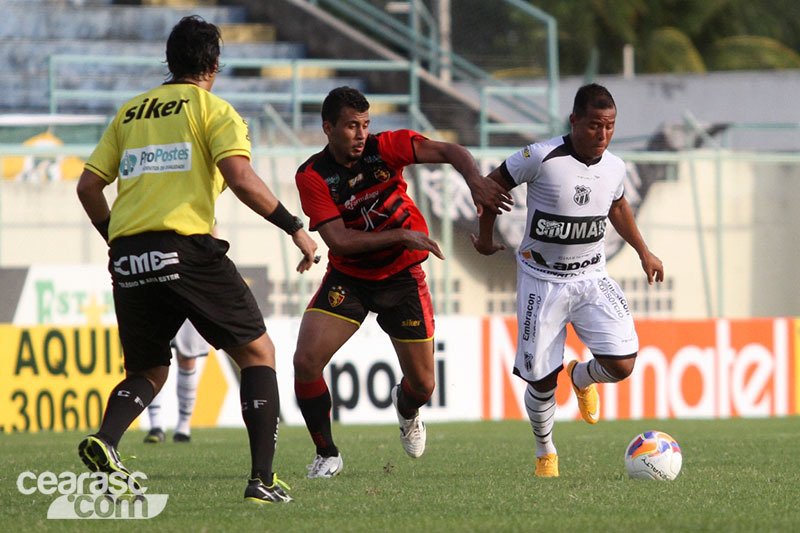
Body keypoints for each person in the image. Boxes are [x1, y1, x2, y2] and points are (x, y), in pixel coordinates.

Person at [75, 15, 317, 504]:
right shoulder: (214, 110)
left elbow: (88, 187)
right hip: (185, 249)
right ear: (214, 63)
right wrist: (294, 226)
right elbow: (242, 179)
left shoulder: (130, 113)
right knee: (258, 353)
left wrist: (116, 240)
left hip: (129, 256)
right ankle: (262, 480)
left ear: (170, 60)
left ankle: (106, 440)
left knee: (147, 371)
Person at [293, 86, 513, 478]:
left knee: (423, 386)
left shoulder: (386, 147)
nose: (361, 134)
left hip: (403, 277)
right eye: (351, 126)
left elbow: (451, 151)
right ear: (328, 128)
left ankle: (406, 409)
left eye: (365, 124)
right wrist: (401, 234)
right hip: (350, 277)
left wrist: (474, 180)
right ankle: (327, 454)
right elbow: (339, 241)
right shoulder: (312, 175)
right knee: (306, 361)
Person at [471, 83, 664, 478]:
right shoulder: (540, 157)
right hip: (542, 281)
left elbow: (618, 205)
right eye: (594, 125)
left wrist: (644, 251)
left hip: (591, 276)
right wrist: (486, 238)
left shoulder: (615, 167)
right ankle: (546, 451)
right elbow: (490, 187)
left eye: (609, 126)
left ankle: (580, 375)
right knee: (542, 381)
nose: (603, 134)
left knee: (623, 364)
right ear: (574, 120)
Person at [143, 319, 211, 444]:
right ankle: (156, 425)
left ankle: (183, 426)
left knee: (188, 358)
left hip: (192, 308)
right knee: (155, 356)